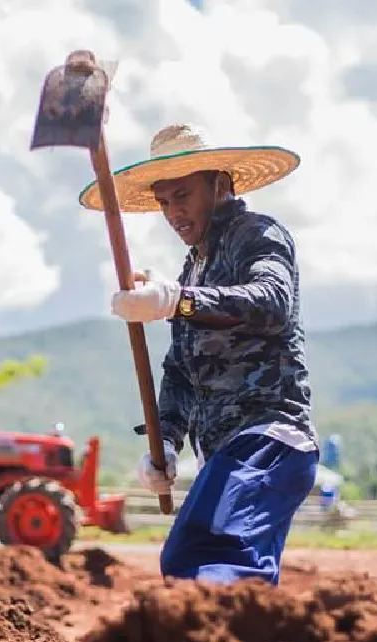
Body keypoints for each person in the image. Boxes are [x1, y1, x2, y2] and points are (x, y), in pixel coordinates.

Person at [79, 123, 319, 586]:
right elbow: (181, 371)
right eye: (164, 201)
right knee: (192, 561)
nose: (173, 212)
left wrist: (178, 300)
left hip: (269, 437)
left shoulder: (258, 235)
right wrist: (165, 439)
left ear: (220, 185)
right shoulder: (195, 265)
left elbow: (270, 302)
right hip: (228, 450)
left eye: (183, 195)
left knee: (207, 556)